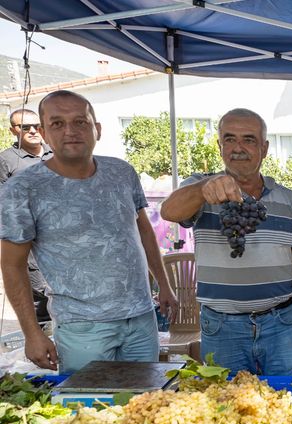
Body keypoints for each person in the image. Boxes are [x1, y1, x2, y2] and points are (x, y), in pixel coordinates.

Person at [0, 90, 178, 373]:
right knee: (90, 412)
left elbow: (144, 232)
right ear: (44, 133)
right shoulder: (23, 189)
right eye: (58, 123)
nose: (70, 131)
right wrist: (32, 333)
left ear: (97, 129)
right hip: (82, 328)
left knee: (146, 407)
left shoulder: (121, 172)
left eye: (80, 122)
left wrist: (164, 285)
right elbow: (11, 265)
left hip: (141, 319)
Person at [160, 108, 292, 375]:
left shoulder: (289, 200)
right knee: (229, 409)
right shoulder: (201, 190)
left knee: (288, 404)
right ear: (219, 145)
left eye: (249, 139)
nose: (239, 148)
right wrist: (203, 189)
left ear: (265, 148)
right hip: (223, 329)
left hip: (282, 325)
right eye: (230, 139)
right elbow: (169, 210)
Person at [0, 109, 54, 324]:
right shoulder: (5, 161)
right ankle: (40, 346)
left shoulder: (58, 153)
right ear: (14, 130)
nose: (32, 131)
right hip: (29, 241)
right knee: (41, 297)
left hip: (63, 238)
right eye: (24, 127)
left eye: (36, 125)